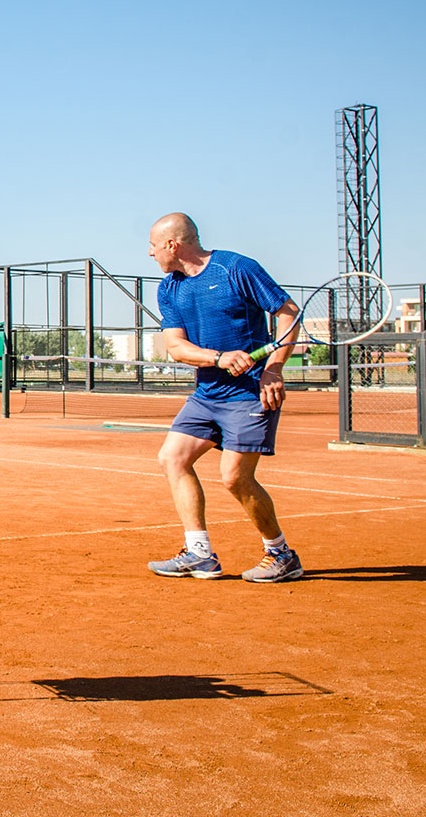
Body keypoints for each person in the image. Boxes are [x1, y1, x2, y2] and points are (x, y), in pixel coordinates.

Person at [145, 213, 304, 583]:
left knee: (234, 478)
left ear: (172, 244)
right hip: (207, 393)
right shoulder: (169, 288)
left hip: (251, 393)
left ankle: (281, 554)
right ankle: (199, 553)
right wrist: (218, 358)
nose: (150, 253)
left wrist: (274, 367)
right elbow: (176, 347)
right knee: (173, 458)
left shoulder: (236, 268)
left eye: (153, 246)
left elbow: (288, 313)